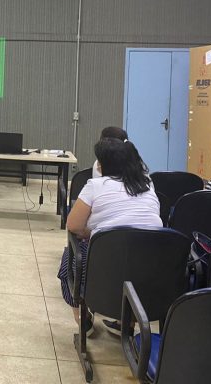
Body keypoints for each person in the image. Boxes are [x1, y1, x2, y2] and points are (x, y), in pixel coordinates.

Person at [58, 137, 161, 336]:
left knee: (69, 260)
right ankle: (126, 324)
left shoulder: (95, 186)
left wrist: (92, 232)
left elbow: (74, 225)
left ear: (104, 165)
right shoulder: (147, 184)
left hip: (104, 263)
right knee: (129, 258)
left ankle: (83, 320)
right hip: (150, 265)